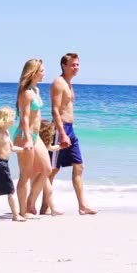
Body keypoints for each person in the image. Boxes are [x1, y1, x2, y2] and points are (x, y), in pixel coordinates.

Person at [41, 53, 97, 215]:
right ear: (64, 66)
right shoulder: (58, 83)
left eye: (77, 64)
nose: (76, 68)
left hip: (70, 129)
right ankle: (44, 206)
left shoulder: (69, 83)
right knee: (52, 169)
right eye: (72, 65)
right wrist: (62, 134)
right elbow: (55, 111)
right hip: (61, 130)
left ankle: (82, 205)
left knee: (79, 166)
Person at [13, 58, 63, 217]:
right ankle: (22, 212)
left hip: (35, 136)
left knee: (47, 169)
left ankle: (30, 203)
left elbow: (37, 116)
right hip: (24, 136)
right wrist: (28, 139)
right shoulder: (26, 93)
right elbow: (24, 119)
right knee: (25, 175)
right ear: (33, 72)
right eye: (41, 71)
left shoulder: (36, 90)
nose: (44, 73)